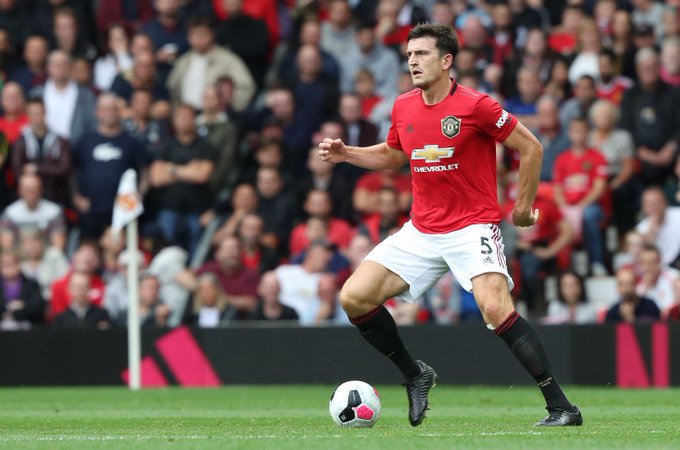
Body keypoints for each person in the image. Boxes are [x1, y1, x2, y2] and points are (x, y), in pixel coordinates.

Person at [318, 24, 582, 427]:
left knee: (495, 309)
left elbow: (530, 147)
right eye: (409, 55)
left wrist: (523, 208)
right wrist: (346, 153)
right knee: (354, 297)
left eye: (421, 54)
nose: (412, 61)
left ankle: (561, 407)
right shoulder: (403, 105)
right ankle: (415, 374)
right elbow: (393, 155)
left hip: (471, 226)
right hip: (422, 229)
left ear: (446, 61)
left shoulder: (478, 106)